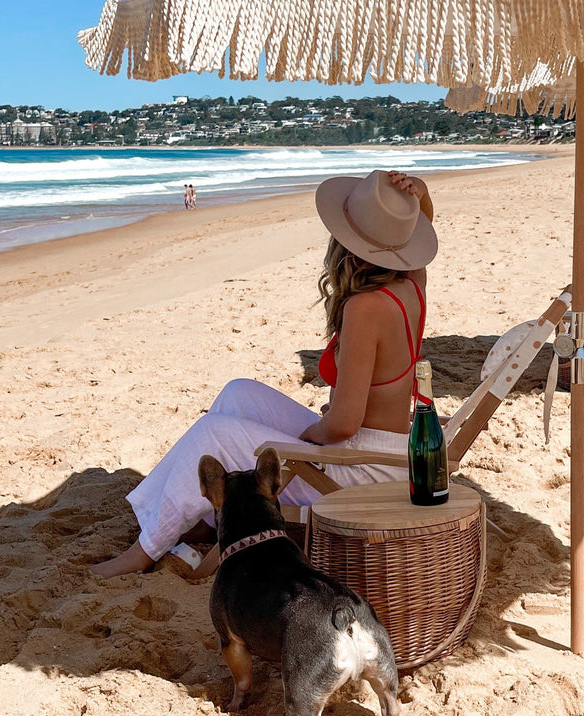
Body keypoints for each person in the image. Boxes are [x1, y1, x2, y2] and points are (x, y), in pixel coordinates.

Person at [91, 169, 435, 577]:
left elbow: (342, 424)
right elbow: (422, 235)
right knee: (239, 394)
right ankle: (202, 516)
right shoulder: (411, 284)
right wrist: (421, 198)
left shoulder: (365, 308)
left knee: (213, 434)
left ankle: (143, 553)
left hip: (364, 473)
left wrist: (302, 441)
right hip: (388, 453)